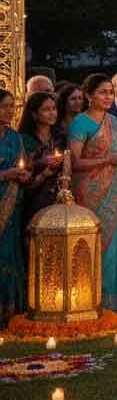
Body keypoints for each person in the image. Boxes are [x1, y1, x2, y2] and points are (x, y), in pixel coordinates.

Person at [69, 74, 117, 314]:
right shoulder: (80, 123)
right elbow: (74, 162)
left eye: (111, 92)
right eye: (102, 92)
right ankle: (89, 300)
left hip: (115, 192)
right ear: (88, 96)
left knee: (114, 244)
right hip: (89, 192)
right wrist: (108, 159)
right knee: (93, 243)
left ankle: (114, 303)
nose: (108, 97)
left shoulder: (115, 122)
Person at [0, 88, 29, 321]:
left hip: (13, 204)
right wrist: (5, 175)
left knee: (10, 253)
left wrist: (23, 175)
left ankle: (10, 308)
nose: (9, 111)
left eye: (11, 106)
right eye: (4, 106)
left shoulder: (14, 136)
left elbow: (23, 167)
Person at [18, 92, 66, 225]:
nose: (52, 113)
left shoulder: (60, 137)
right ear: (34, 114)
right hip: (33, 196)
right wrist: (42, 164)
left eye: (54, 108)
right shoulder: (24, 139)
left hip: (58, 195)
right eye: (46, 109)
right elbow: (22, 170)